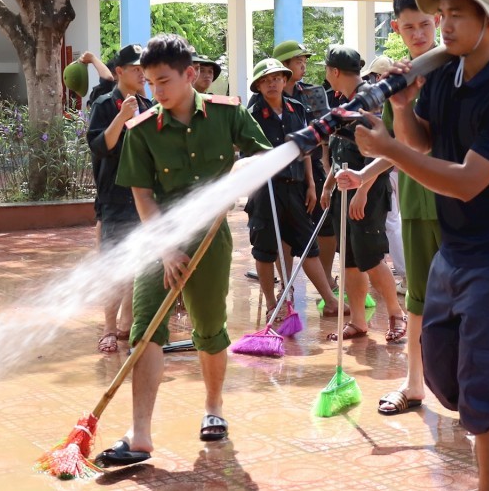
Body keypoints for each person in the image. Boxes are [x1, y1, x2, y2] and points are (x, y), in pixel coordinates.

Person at [354, 0, 489, 490]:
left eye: (456, 15)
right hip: (456, 250)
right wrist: (402, 110)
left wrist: (388, 150)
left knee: (484, 394)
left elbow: (468, 181)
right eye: (440, 15)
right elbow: (425, 141)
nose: (443, 26)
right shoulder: (447, 77)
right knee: (447, 381)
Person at [98, 33, 273, 466]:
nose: (156, 92)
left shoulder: (226, 114)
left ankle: (214, 408)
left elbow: (263, 156)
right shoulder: (142, 129)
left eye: (163, 82)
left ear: (190, 75)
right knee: (145, 328)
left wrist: (239, 174)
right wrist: (166, 249)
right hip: (160, 240)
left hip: (211, 240)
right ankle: (140, 435)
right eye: (150, 83)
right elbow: (142, 193)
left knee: (210, 329)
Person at [335, 0, 440, 416]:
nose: (418, 34)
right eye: (409, 26)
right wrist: (363, 173)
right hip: (417, 203)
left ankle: (479, 394)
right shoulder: (401, 78)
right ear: (395, 28)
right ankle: (414, 384)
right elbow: (397, 145)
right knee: (418, 298)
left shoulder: (458, 72)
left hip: (461, 202)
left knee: (469, 300)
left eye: (426, 25)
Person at [245, 57, 345, 318]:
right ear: (258, 85)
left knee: (307, 244)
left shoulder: (296, 109)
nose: (272, 84)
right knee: (266, 250)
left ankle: (330, 300)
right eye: (266, 80)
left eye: (277, 78)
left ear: (285, 80)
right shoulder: (252, 115)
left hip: (296, 187)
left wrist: (311, 185)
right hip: (265, 191)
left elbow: (305, 150)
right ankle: (271, 304)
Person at [319, 45, 407, 343]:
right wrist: (329, 183)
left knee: (370, 257)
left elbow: (380, 152)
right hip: (344, 187)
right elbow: (340, 148)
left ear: (334, 71)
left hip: (365, 191)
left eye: (326, 70)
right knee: (350, 261)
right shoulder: (342, 102)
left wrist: (362, 192)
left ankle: (396, 313)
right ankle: (358, 321)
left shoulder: (370, 100)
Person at [87, 44, 153, 354]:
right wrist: (122, 117)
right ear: (119, 73)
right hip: (114, 198)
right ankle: (109, 328)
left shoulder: (149, 104)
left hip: (142, 197)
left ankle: (129, 322)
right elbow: (100, 146)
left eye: (144, 68)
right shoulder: (104, 104)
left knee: (139, 262)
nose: (143, 73)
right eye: (136, 68)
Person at [274, 41, 337, 279]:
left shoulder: (313, 93)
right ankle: (285, 283)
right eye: (297, 61)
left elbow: (327, 131)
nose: (303, 65)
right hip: (283, 175)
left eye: (304, 61)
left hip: (316, 168)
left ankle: (328, 276)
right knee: (284, 229)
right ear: (283, 65)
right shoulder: (265, 96)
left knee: (326, 222)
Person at [362, 56, 408, 282]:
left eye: (373, 76)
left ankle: (406, 274)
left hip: (393, 169)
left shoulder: (385, 99)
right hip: (398, 168)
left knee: (393, 221)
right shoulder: (390, 98)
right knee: (398, 221)